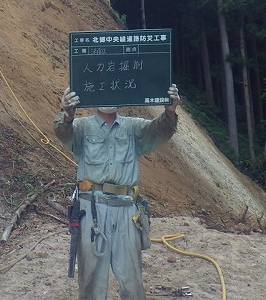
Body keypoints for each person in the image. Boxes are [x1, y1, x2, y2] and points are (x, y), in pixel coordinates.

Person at [54, 84, 181, 300]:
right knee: (91, 281)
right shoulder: (82, 127)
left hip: (126, 210)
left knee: (132, 280)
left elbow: (160, 129)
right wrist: (67, 114)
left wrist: (170, 110)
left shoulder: (133, 127)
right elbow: (63, 132)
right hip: (92, 209)